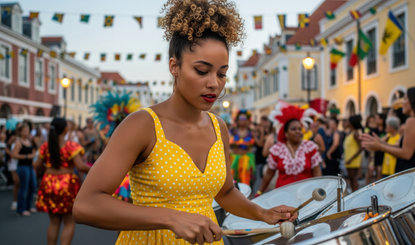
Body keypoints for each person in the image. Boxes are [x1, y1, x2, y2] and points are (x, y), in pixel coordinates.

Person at [73, 1, 297, 244]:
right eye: (202, 71)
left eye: (221, 73)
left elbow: (225, 192)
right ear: (174, 67)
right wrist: (170, 218)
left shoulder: (218, 126)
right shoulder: (142, 124)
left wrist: (262, 213)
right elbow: (86, 205)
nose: (214, 83)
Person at [361, 86, 415, 172]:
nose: (402, 103)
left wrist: (380, 147)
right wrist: (380, 142)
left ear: (414, 102)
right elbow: (409, 148)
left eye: (405, 99)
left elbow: (406, 154)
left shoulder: (413, 121)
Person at [34, 117, 90, 245]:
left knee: (54, 222)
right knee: (69, 222)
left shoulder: (45, 147)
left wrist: (48, 169)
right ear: (66, 129)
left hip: (49, 182)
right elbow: (80, 166)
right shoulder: (71, 146)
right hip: (66, 184)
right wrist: (93, 170)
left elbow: (37, 165)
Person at [257, 102, 322, 195]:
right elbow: (268, 174)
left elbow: (317, 173)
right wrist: (259, 192)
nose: (298, 132)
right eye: (294, 129)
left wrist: (320, 192)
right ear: (286, 133)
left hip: (307, 196)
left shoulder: (310, 147)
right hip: (283, 196)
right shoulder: (277, 150)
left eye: (300, 129)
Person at [11, 124, 37, 216]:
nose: (27, 132)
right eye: (25, 131)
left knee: (33, 186)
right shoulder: (19, 142)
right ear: (21, 132)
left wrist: (33, 154)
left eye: (28, 130)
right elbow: (13, 155)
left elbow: (33, 151)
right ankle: (21, 209)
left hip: (30, 166)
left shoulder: (29, 141)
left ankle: (28, 206)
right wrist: (26, 156)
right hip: (23, 167)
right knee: (24, 187)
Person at [229, 110, 256, 185]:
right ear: (237, 120)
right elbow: (228, 144)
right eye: (240, 119)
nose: (242, 121)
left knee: (245, 180)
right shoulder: (232, 131)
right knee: (233, 180)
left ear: (248, 121)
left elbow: (255, 145)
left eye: (244, 119)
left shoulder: (251, 132)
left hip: (246, 160)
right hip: (233, 159)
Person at [344, 115, 363, 192]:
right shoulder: (350, 132)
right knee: (351, 179)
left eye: (348, 121)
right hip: (349, 159)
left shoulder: (355, 133)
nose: (346, 122)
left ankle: (355, 194)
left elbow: (361, 147)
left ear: (351, 123)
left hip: (353, 160)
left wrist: (351, 159)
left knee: (353, 179)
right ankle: (353, 193)